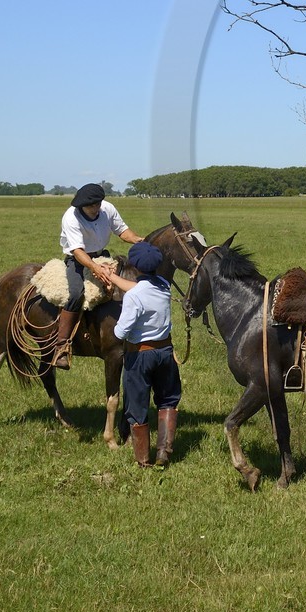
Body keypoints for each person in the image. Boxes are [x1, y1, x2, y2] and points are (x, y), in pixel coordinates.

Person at [103, 241, 182, 468]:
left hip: (140, 355)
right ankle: (164, 451)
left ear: (135, 268)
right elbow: (137, 286)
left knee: (137, 406)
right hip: (165, 352)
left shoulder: (134, 297)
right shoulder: (164, 285)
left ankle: (143, 459)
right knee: (168, 399)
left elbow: (121, 331)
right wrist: (115, 278)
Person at [50, 183, 141, 369]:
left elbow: (122, 231)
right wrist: (95, 268)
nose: (94, 208)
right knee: (75, 293)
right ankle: (61, 346)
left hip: (102, 255)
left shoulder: (108, 209)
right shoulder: (71, 217)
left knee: (120, 288)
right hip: (78, 259)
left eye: (96, 204)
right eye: (89, 206)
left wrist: (141, 241)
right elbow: (77, 250)